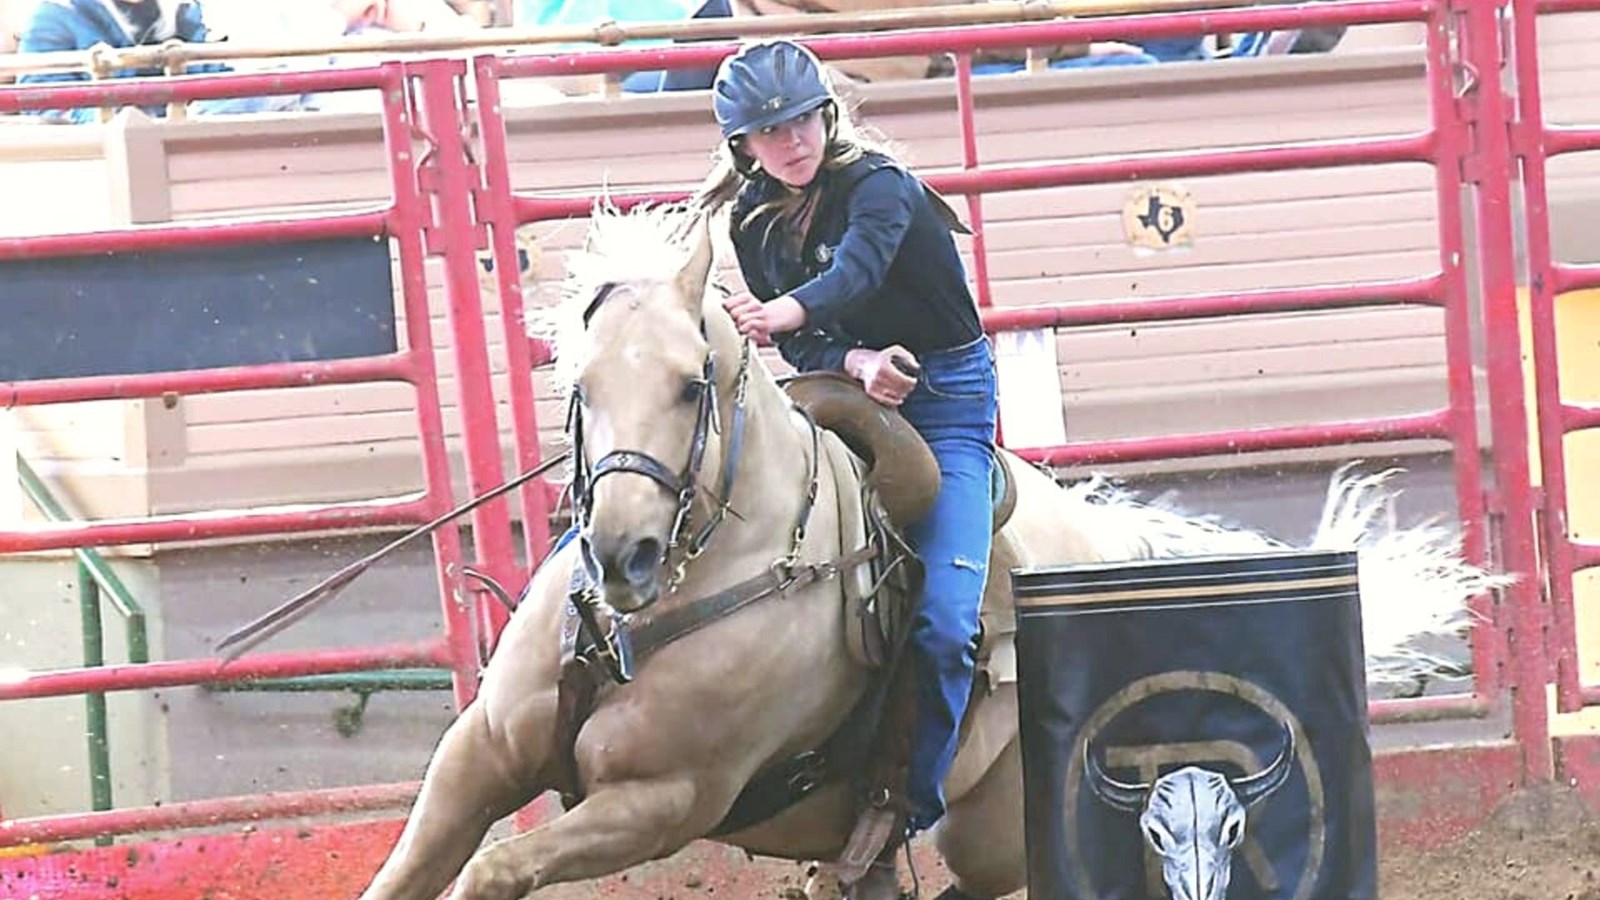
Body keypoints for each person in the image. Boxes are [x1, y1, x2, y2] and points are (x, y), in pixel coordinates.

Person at [691, 39, 1000, 846]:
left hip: (949, 400)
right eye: (769, 132)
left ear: (827, 116)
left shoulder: (881, 186)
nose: (790, 141)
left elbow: (854, 276)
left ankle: (907, 803)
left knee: (944, 621)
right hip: (840, 391)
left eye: (801, 121)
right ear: (745, 148)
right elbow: (807, 347)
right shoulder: (752, 221)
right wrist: (854, 359)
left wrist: (775, 316)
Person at [15, 0, 301, 123]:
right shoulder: (55, 15)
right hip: (100, 163)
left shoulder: (186, 10)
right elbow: (43, 104)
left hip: (190, 148)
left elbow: (218, 71)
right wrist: (123, 123)